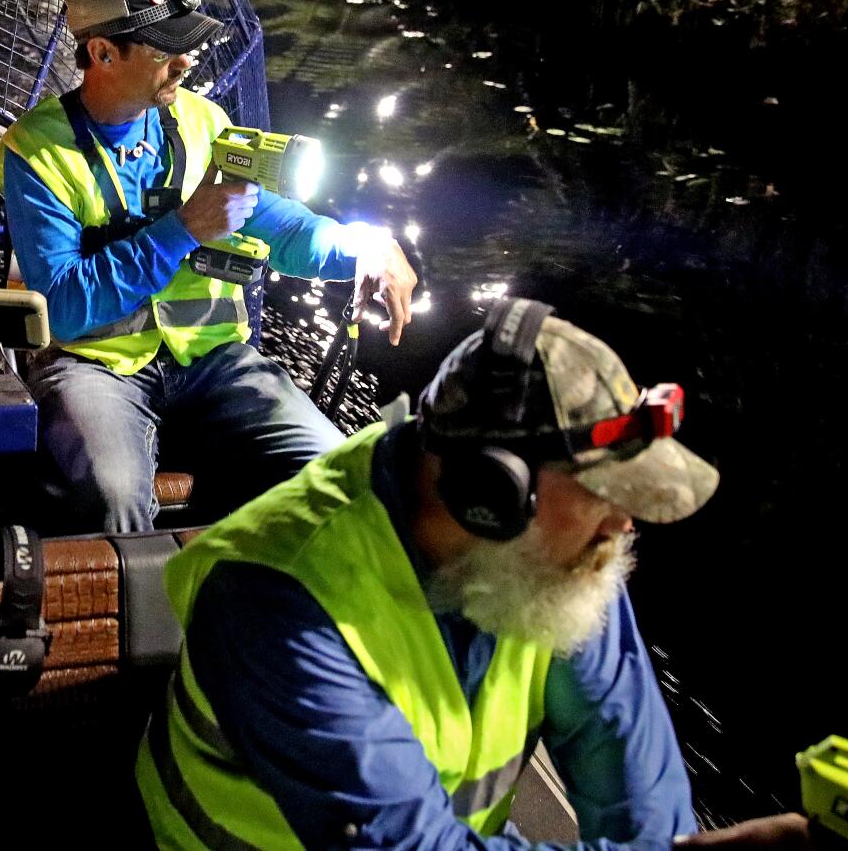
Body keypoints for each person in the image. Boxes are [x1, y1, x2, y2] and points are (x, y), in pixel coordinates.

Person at [137, 297, 811, 850]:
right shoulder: (278, 603)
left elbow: (632, 771)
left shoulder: (562, 562)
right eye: (607, 491)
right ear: (492, 490)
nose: (625, 523)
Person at [0, 0, 417, 533]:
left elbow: (277, 224)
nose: (187, 61)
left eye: (188, 42)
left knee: (334, 473)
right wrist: (181, 230)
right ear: (102, 54)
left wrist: (362, 246)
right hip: (95, 366)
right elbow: (63, 309)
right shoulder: (35, 151)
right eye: (165, 48)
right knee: (111, 494)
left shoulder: (201, 121)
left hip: (212, 359)